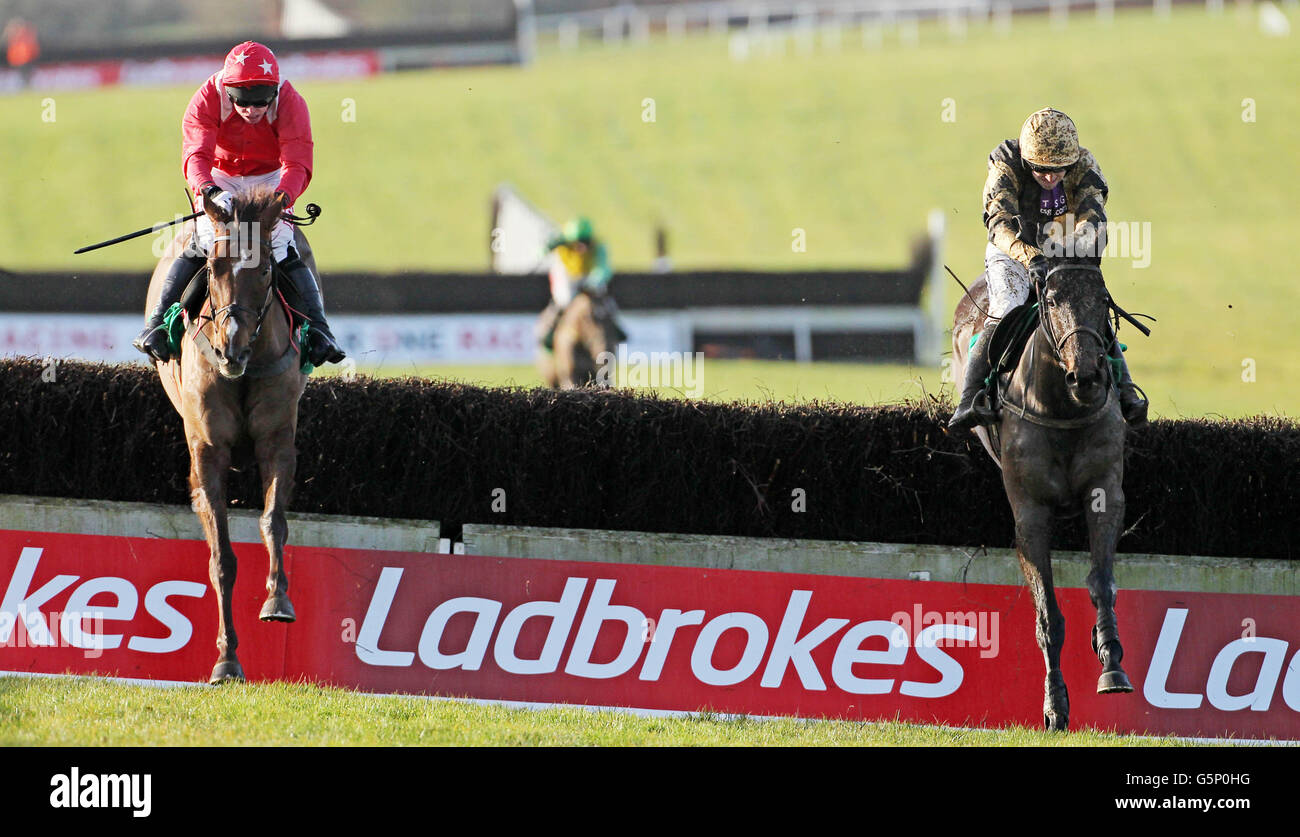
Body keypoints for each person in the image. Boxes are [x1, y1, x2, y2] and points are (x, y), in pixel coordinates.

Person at [133, 40, 344, 366]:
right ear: (227, 91)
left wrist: (282, 199)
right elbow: (195, 155)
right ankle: (159, 324)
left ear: (273, 90)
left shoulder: (290, 100)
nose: (252, 111)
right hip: (220, 177)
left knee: (281, 240)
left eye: (261, 103)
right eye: (242, 103)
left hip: (271, 178)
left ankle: (318, 330)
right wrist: (208, 190)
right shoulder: (206, 97)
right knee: (205, 237)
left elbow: (298, 160)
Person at [949, 107, 1146, 431]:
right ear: (1027, 161)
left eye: (1060, 170)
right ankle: (970, 398)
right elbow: (998, 224)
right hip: (1011, 250)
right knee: (1008, 303)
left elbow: (1094, 219)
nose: (1052, 178)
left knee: (1085, 307)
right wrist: (1029, 256)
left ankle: (1126, 392)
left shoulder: (1085, 165)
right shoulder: (1006, 162)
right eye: (1042, 170)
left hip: (1063, 251)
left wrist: (1071, 250)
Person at [538, 216, 626, 351]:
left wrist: (594, 281)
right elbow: (542, 252)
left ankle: (614, 327)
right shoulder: (561, 244)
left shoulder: (599, 246)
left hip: (588, 275)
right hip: (566, 273)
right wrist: (549, 244)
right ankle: (550, 330)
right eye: (578, 243)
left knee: (604, 299)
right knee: (564, 299)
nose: (582, 247)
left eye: (585, 242)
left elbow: (603, 268)